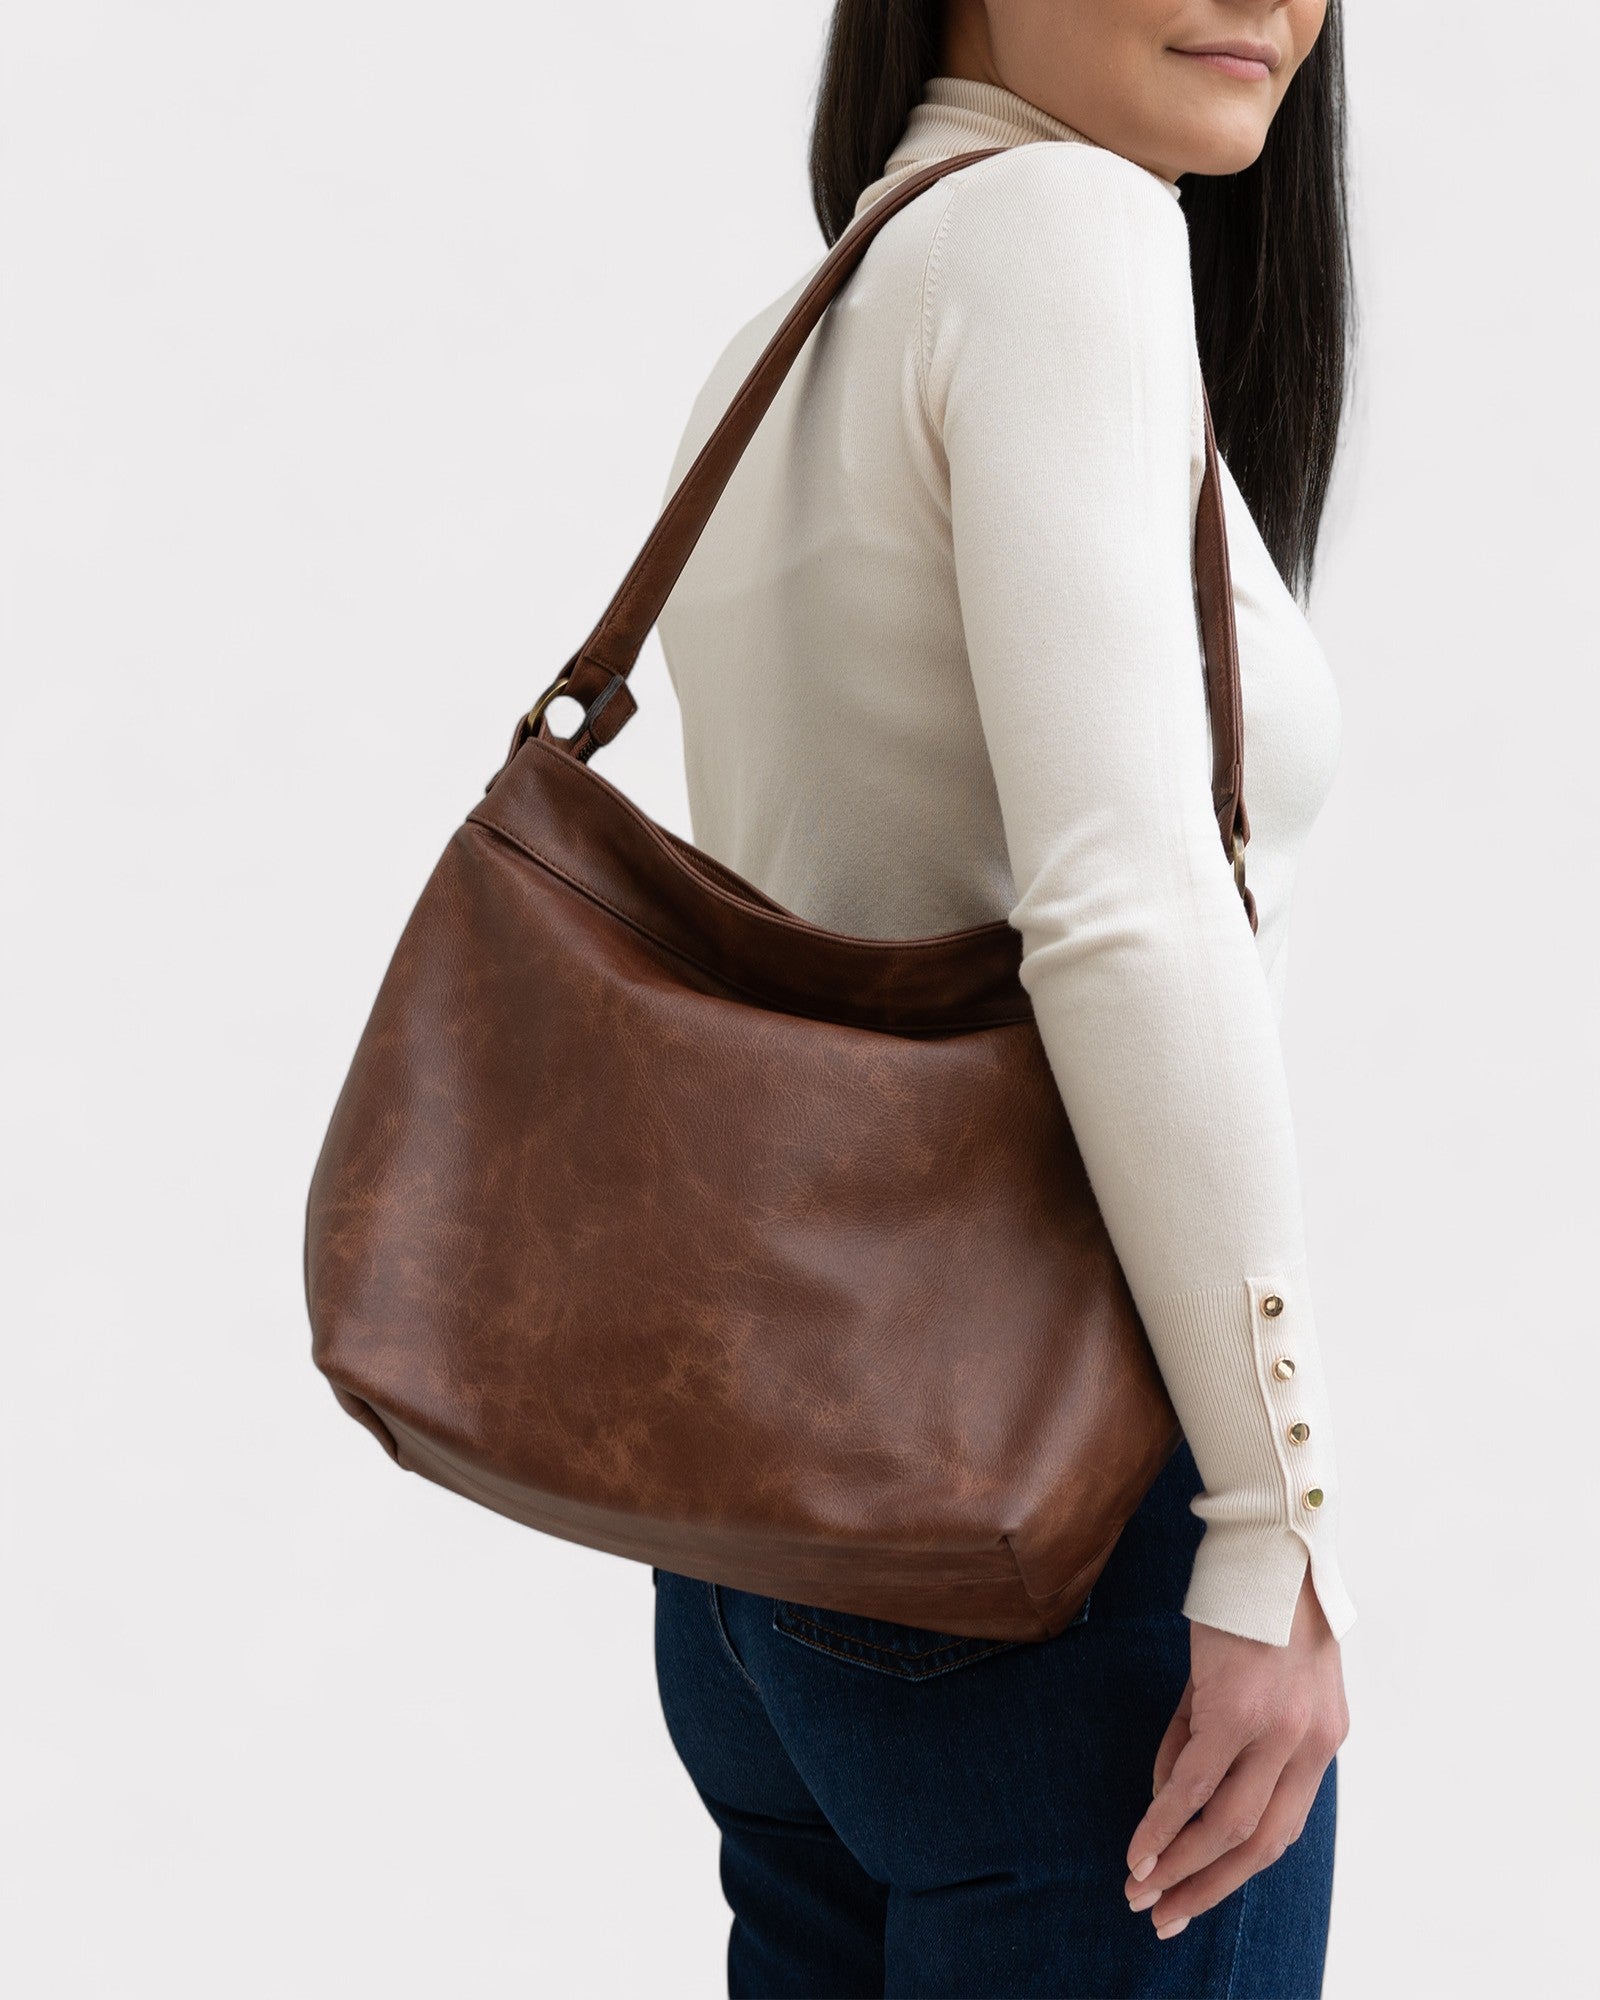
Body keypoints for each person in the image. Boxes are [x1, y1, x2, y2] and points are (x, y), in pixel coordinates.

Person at [650, 3, 1357, 1994]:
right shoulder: (1060, 233)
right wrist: (1266, 1514)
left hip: (760, 1537)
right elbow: (1123, 904)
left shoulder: (807, 326)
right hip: (1051, 1524)